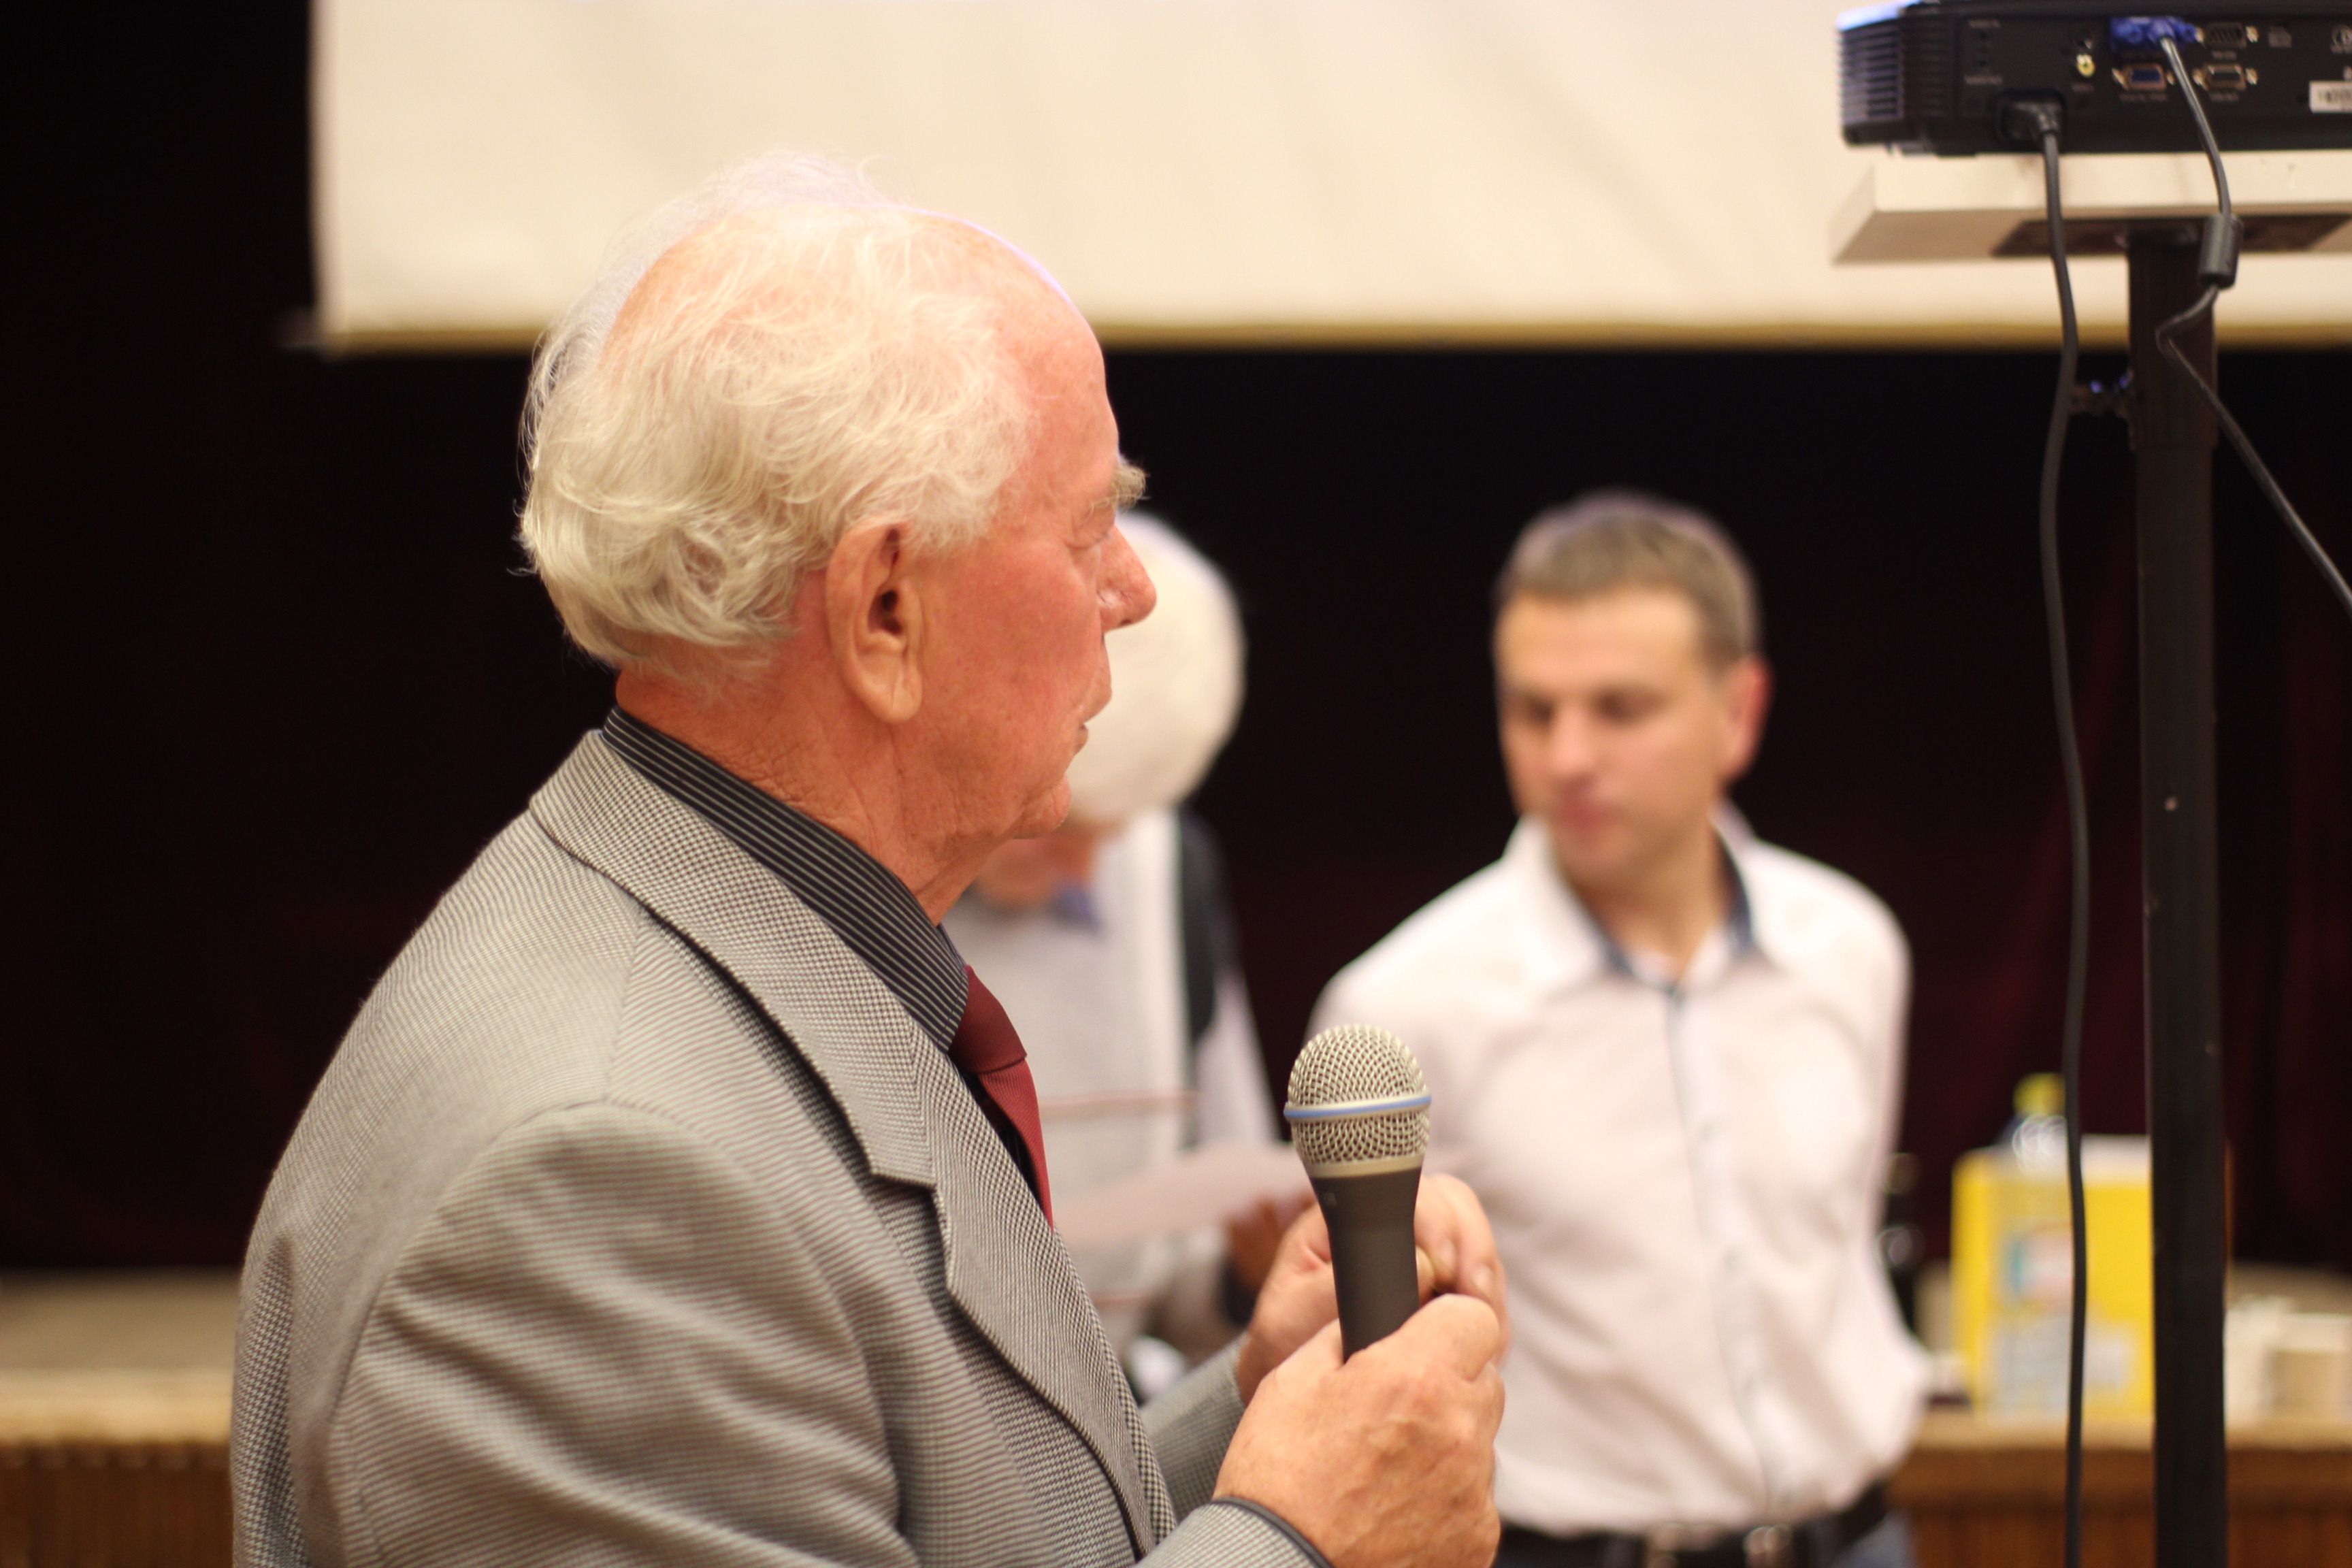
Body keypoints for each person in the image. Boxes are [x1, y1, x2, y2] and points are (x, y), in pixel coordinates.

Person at [230, 152, 1506, 1568]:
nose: (1133, 590)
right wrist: (1305, 1540)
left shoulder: (749, 945)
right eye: (1090, 525)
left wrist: (1266, 1412)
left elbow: (932, 1520)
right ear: (885, 608)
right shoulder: (600, 1176)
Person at [1311, 492, 1927, 1568]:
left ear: (1740, 712)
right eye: (1533, 711)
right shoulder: (1405, 1006)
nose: (1569, 756)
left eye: (1621, 709)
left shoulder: (1851, 948)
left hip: (1858, 1539)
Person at [943, 515, 1290, 1386]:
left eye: (1118, 828)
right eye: (1064, 823)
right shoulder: (867, 896)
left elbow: (1188, 1285)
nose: (1088, 868)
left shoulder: (1167, 867)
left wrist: (1250, 1276)